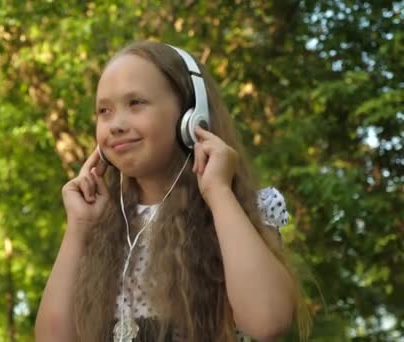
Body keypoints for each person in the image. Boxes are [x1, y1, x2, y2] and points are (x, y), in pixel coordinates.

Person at [35, 41, 310, 341]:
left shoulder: (240, 209)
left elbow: (267, 321)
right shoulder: (100, 224)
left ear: (191, 116)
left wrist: (218, 192)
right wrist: (79, 226)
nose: (116, 125)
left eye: (136, 103)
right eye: (104, 111)